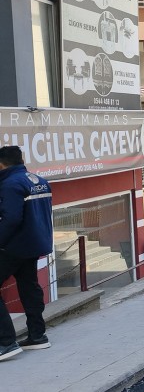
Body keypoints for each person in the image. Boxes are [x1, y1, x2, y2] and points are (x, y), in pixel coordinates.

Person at [0, 146, 54, 361]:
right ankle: (37, 336)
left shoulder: (10, 184)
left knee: (28, 287)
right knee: (29, 287)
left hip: (14, 246)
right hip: (34, 244)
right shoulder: (38, 180)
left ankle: (6, 342)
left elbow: (11, 219)